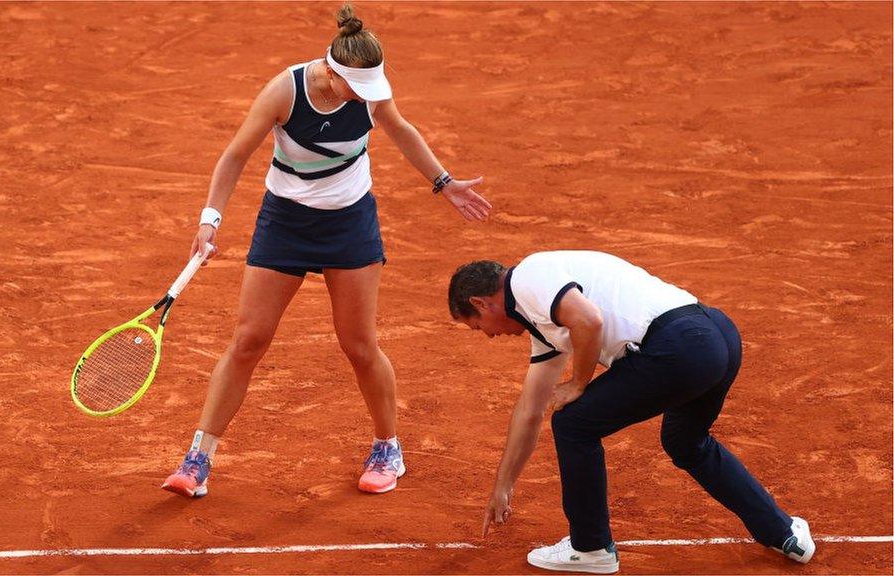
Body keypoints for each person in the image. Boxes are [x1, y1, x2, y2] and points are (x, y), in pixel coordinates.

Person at [161, 3, 491, 499]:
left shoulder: (369, 92)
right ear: (333, 73)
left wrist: (443, 183)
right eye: (357, 86)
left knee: (358, 345)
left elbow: (400, 129)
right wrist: (210, 219)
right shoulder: (284, 92)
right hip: (285, 223)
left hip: (349, 224)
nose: (366, 97)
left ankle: (387, 447)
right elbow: (235, 155)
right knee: (249, 340)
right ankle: (198, 458)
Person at [447, 251, 814, 573]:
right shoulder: (545, 319)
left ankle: (590, 547)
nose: (488, 336)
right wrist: (503, 487)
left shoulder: (528, 277)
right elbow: (529, 410)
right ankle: (784, 534)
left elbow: (589, 321)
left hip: (680, 347)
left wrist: (579, 383)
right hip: (716, 338)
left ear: (481, 303)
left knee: (574, 424)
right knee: (685, 442)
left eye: (477, 327)